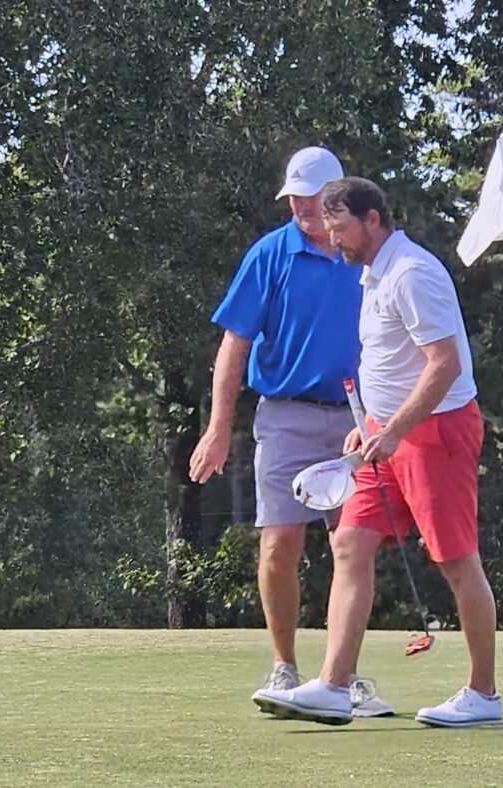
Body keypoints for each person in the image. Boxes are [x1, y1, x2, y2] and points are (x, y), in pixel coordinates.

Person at [252, 177, 502, 728]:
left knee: (457, 563)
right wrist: (368, 424)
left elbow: (444, 365)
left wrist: (393, 430)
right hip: (386, 435)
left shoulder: (412, 273)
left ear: (372, 220)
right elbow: (390, 364)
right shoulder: (372, 274)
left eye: (341, 228)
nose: (334, 239)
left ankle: (483, 695)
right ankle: (335, 687)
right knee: (350, 544)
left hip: (436, 432)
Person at [189, 150, 393, 717]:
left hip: (358, 419)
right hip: (285, 415)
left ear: (338, 193)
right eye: (294, 198)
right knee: (280, 543)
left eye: (311, 196)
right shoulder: (271, 254)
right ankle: (284, 667)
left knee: (353, 546)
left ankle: (340, 678)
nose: (301, 206)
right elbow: (235, 342)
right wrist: (218, 427)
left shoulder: (366, 254)